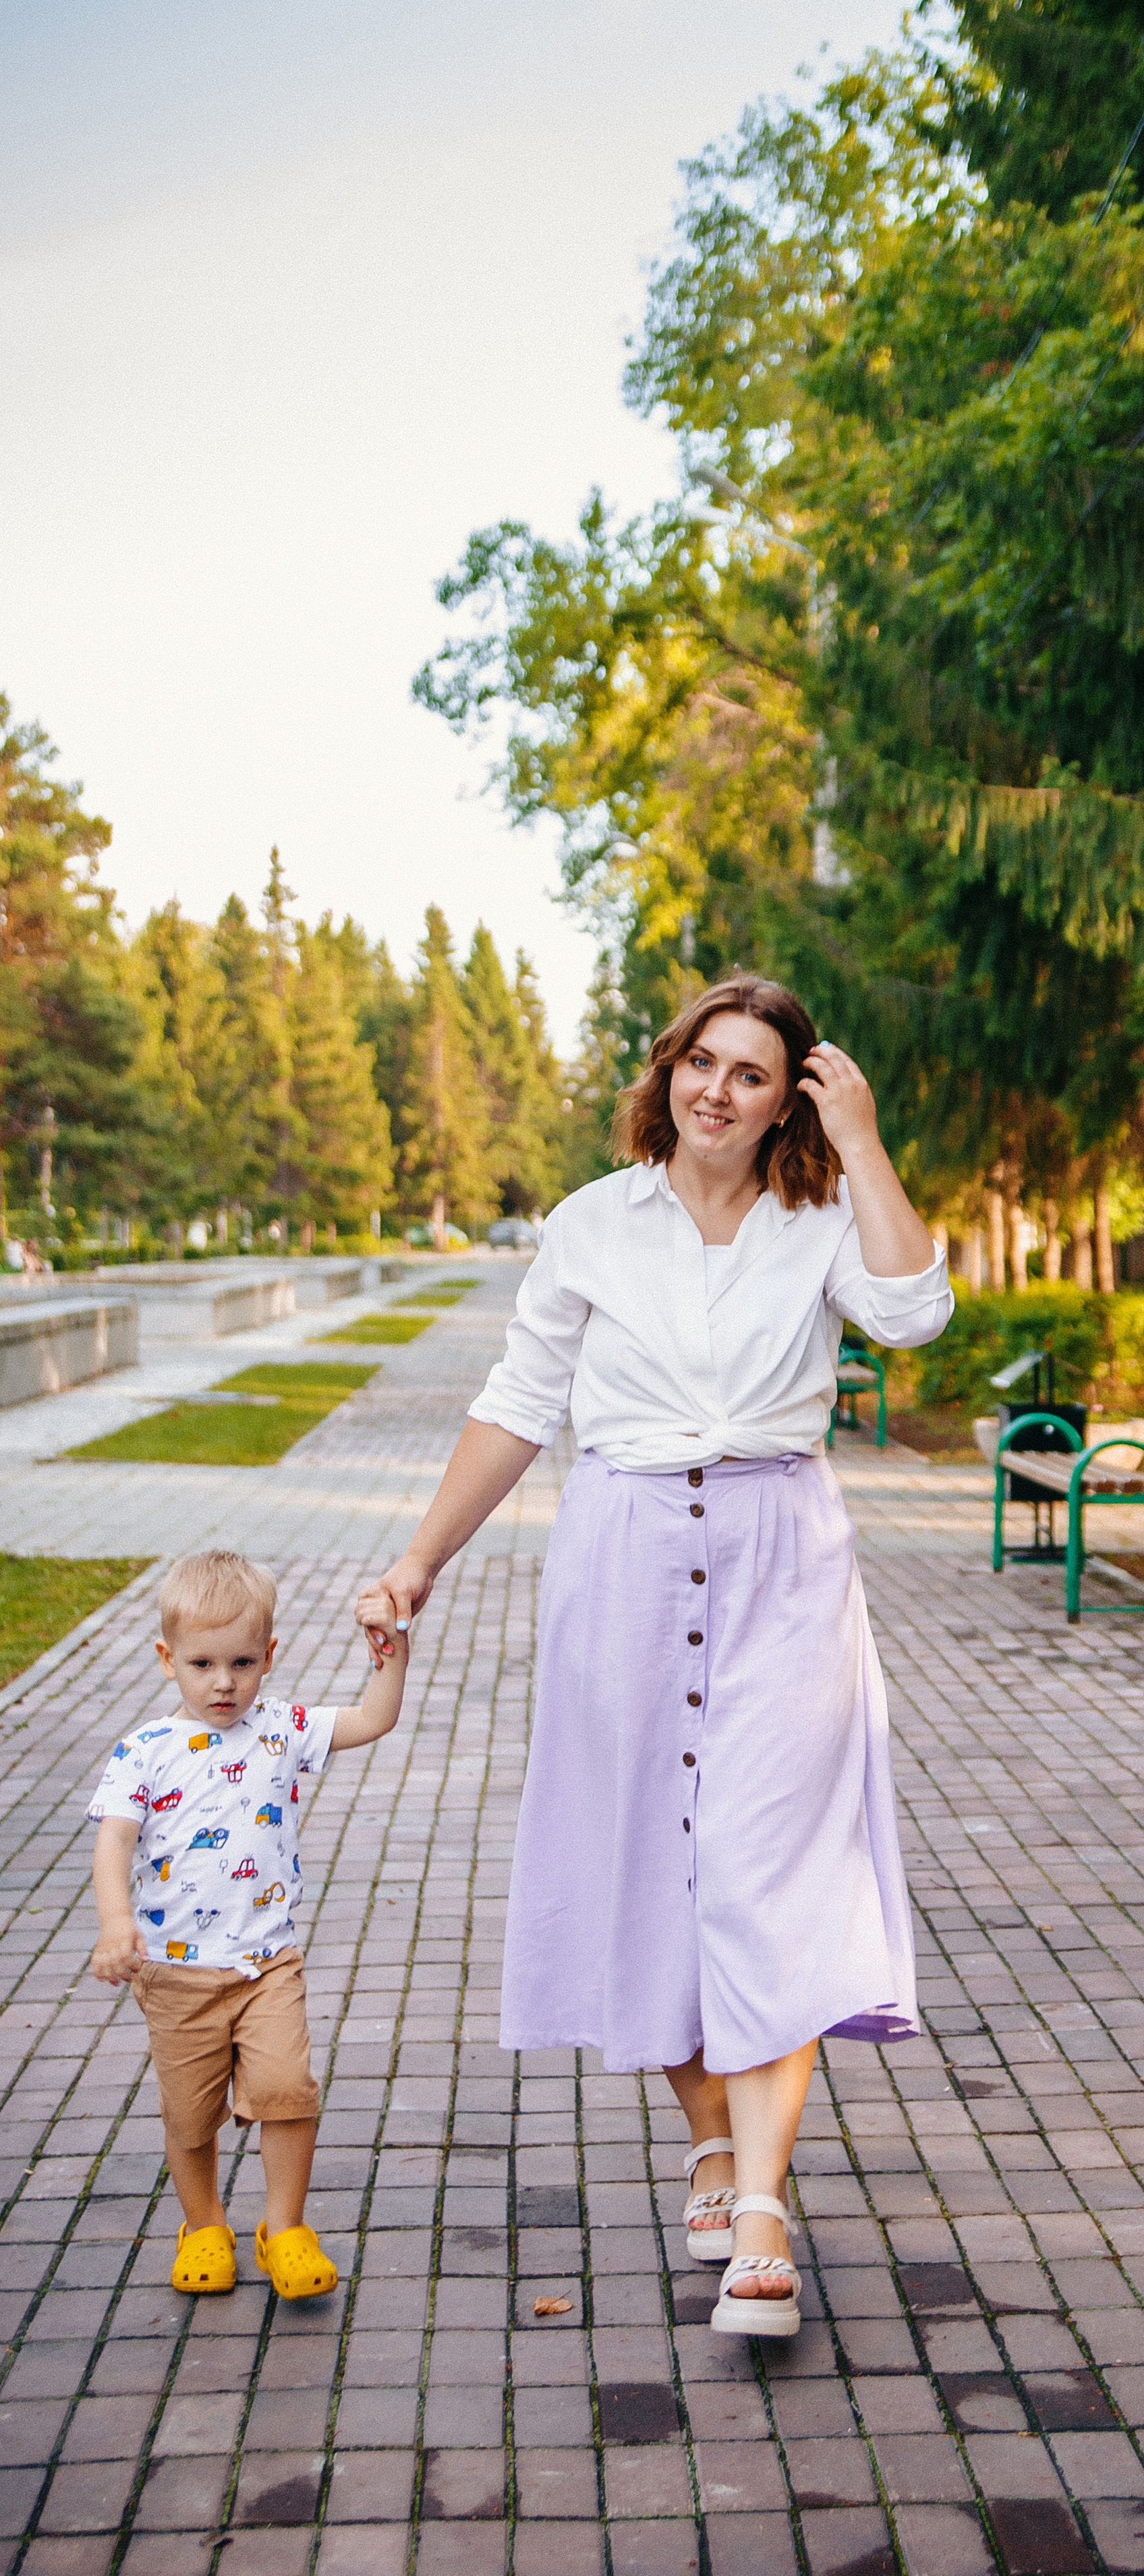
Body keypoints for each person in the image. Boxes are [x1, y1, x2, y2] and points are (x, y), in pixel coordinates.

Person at [355, 975, 952, 2338]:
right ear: (667, 1070)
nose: (717, 1091)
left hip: (779, 1566)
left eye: (752, 1073)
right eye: (702, 1060)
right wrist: (418, 1558)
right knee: (648, 1872)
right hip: (621, 1559)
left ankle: (759, 2220)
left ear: (787, 1095)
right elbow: (518, 1405)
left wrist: (860, 1144)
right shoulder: (588, 1223)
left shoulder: (817, 1220)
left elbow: (914, 1316)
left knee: (767, 1879)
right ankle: (710, 2142)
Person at [88, 1549, 409, 2298]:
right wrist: (115, 1923)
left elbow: (375, 1718)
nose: (224, 1682)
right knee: (189, 2117)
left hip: (268, 1964)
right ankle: (204, 2226)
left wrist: (391, 1651)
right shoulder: (146, 1751)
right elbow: (114, 1839)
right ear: (169, 1661)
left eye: (241, 1662)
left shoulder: (283, 1728)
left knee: (287, 2091)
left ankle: (285, 2229)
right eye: (202, 1663)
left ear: (269, 1656)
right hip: (175, 1973)